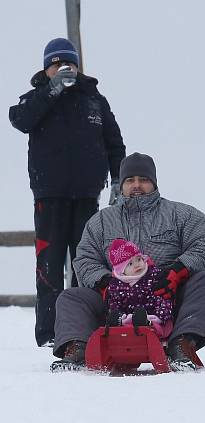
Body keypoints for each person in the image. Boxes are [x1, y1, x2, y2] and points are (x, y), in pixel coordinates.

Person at [50, 152, 205, 372]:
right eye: (130, 180)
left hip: (168, 300)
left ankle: (182, 344)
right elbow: (85, 258)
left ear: (154, 183)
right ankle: (78, 348)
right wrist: (106, 284)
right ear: (121, 185)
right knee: (71, 297)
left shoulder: (182, 215)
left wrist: (177, 271)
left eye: (143, 180)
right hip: (115, 305)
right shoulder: (101, 221)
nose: (137, 185)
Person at [8, 37, 126, 347]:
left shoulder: (95, 100)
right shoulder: (35, 99)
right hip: (49, 196)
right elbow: (19, 120)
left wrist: (118, 181)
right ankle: (49, 334)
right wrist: (53, 89)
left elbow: (115, 145)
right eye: (57, 64)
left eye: (69, 63)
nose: (64, 68)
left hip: (88, 196)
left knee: (85, 265)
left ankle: (83, 331)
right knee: (49, 266)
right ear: (46, 69)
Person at [104, 239, 173, 339]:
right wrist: (119, 316)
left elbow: (163, 299)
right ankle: (118, 329)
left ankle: (147, 324)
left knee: (161, 327)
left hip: (155, 317)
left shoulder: (154, 276)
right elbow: (115, 304)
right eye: (130, 264)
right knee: (124, 327)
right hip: (130, 319)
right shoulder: (116, 286)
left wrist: (160, 316)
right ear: (121, 271)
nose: (137, 265)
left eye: (139, 259)